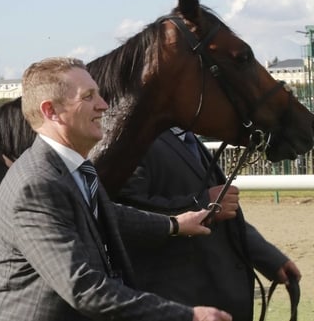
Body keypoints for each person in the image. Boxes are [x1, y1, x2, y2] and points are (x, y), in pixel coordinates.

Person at [0, 57, 232, 321]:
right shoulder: (35, 185)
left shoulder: (72, 168)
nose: (103, 105)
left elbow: (104, 214)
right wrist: (188, 316)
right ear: (51, 111)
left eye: (99, 94)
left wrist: (174, 224)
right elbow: (83, 289)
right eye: (88, 96)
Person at [115, 128, 301, 321]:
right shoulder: (138, 140)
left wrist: (271, 259)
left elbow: (228, 219)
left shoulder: (188, 139)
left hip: (216, 302)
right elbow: (125, 212)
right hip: (178, 301)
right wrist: (204, 205)